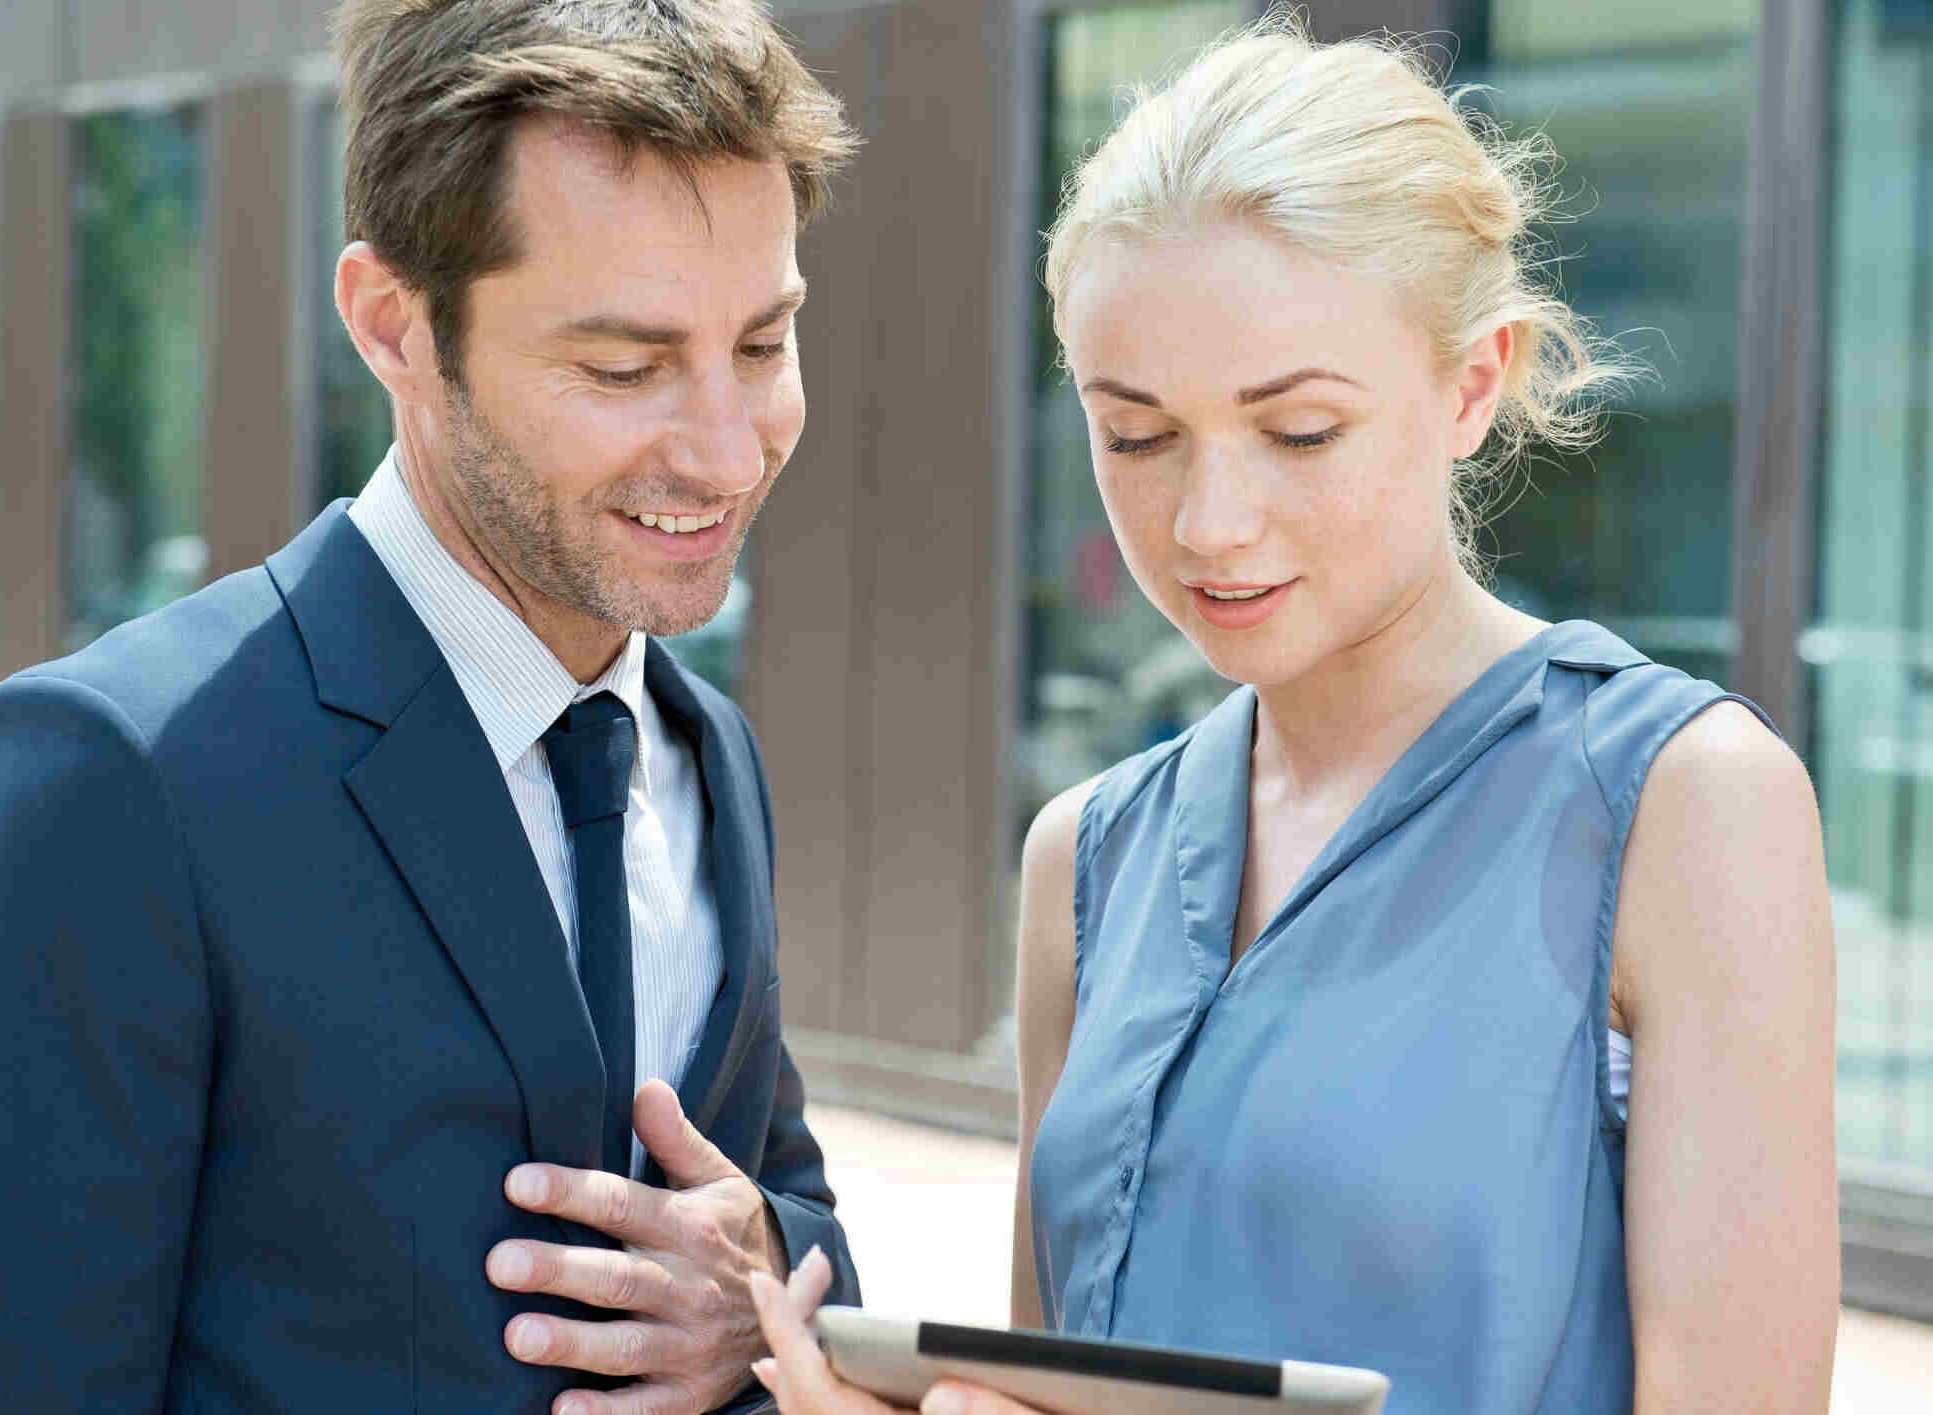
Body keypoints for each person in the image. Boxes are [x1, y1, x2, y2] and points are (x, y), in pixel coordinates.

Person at [749, 15, 1837, 1415]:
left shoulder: (1681, 804)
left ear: (1473, 382)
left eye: (1300, 431)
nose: (1209, 522)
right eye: (1134, 434)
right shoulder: (1086, 859)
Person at [0, 2, 862, 1410]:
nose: (728, 451)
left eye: (762, 345)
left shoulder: (703, 754)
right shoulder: (105, 784)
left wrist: (760, 1294)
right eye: (624, 367)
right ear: (394, 325)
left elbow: (782, 1215)